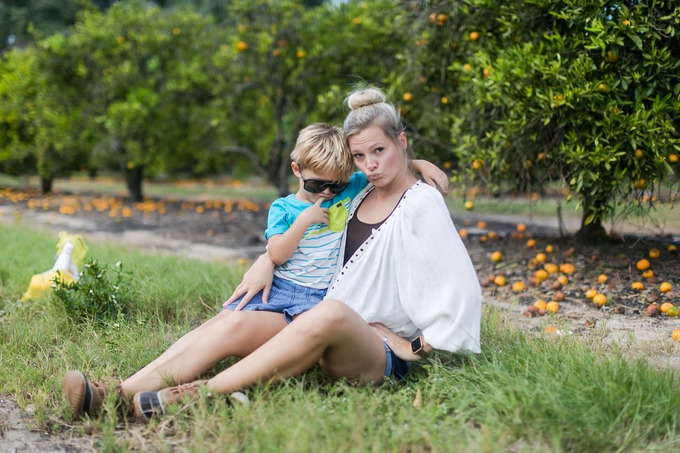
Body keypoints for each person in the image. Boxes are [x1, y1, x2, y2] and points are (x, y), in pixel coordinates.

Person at [62, 87, 481, 423]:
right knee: (232, 321)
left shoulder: (420, 201)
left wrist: (416, 346)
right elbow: (329, 200)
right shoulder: (359, 191)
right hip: (314, 317)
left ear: (401, 142)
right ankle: (116, 394)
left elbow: (463, 290)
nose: (370, 165)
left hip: (373, 349)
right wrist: (267, 259)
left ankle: (201, 396)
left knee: (331, 312)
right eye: (360, 155)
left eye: (380, 151)